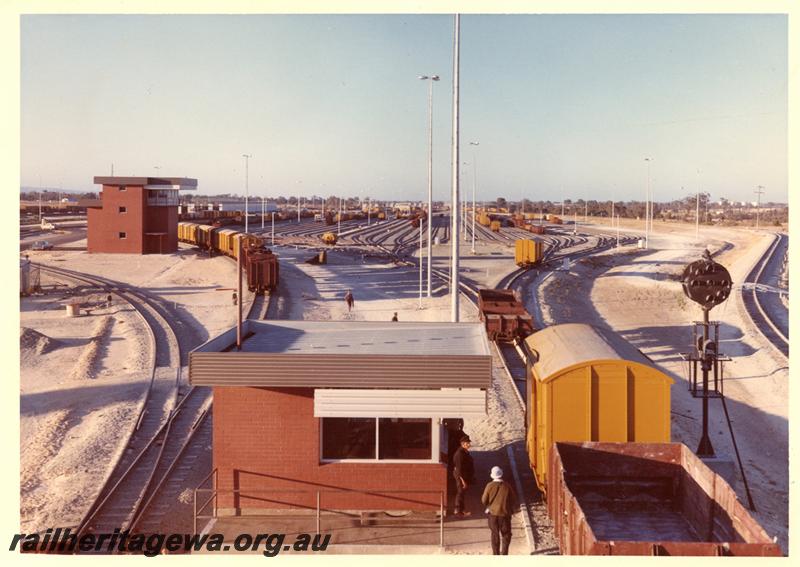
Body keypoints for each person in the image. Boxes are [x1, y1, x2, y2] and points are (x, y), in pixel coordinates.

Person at [481, 466, 517, 555]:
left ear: (492, 476)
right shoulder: (507, 486)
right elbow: (513, 499)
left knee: (495, 535)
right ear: (501, 474)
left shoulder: (489, 485)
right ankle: (504, 554)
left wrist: (490, 506)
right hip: (504, 515)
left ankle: (496, 555)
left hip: (493, 515)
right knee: (506, 535)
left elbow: (483, 500)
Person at [452, 435, 474, 516]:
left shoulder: (464, 452)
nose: (469, 444)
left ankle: (462, 510)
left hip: (464, 476)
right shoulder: (460, 454)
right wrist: (463, 481)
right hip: (460, 477)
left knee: (462, 493)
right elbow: (459, 470)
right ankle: (457, 511)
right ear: (463, 444)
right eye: (468, 443)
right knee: (460, 492)